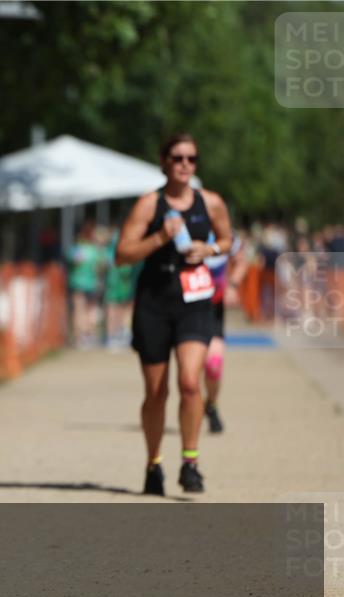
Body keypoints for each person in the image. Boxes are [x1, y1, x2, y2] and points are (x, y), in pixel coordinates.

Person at [115, 133, 233, 496]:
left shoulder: (210, 202)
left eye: (191, 159)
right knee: (156, 392)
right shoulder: (149, 205)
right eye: (178, 158)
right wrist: (160, 239)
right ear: (164, 161)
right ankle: (154, 464)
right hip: (154, 301)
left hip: (194, 303)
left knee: (189, 383)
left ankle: (191, 462)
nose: (185, 165)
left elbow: (229, 240)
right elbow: (122, 254)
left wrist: (209, 247)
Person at [200, 228, 247, 433]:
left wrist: (233, 285)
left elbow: (241, 261)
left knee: (213, 364)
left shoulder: (225, 231)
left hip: (213, 308)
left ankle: (211, 404)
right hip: (182, 306)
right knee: (189, 372)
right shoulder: (179, 226)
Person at [69, 221, 107, 348]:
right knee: (90, 311)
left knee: (79, 311)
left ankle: (80, 337)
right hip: (92, 284)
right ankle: (88, 335)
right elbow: (102, 266)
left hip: (78, 284)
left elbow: (72, 261)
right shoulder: (96, 251)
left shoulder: (77, 249)